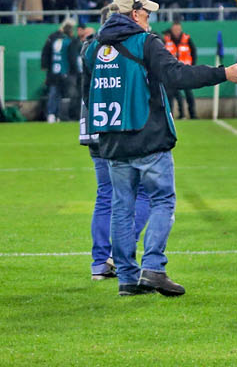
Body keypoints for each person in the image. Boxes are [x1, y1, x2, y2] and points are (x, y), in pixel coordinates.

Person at [86, 0, 237, 296]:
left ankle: (126, 278)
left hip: (112, 141)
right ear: (134, 14)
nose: (150, 18)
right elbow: (177, 75)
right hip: (148, 137)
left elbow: (89, 93)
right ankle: (154, 268)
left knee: (122, 208)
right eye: (146, 12)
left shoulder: (93, 48)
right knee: (162, 200)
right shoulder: (146, 43)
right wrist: (223, 73)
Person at [77, 23, 150, 282]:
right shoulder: (130, 47)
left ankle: (99, 263)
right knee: (143, 193)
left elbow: (86, 92)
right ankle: (119, 253)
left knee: (105, 195)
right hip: (120, 129)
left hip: (95, 126)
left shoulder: (90, 48)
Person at [41, 20, 77, 123]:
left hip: (54, 72)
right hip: (65, 71)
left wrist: (45, 66)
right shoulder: (69, 41)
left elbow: (46, 52)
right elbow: (72, 57)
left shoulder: (53, 39)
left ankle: (52, 114)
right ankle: (61, 115)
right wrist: (75, 71)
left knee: (54, 92)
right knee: (65, 94)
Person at [161, 22, 198, 119]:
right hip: (172, 72)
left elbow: (193, 52)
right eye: (175, 30)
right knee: (172, 95)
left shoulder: (186, 38)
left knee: (189, 94)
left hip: (185, 70)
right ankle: (173, 115)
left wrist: (192, 66)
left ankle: (192, 114)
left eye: (178, 30)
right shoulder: (166, 39)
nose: (177, 32)